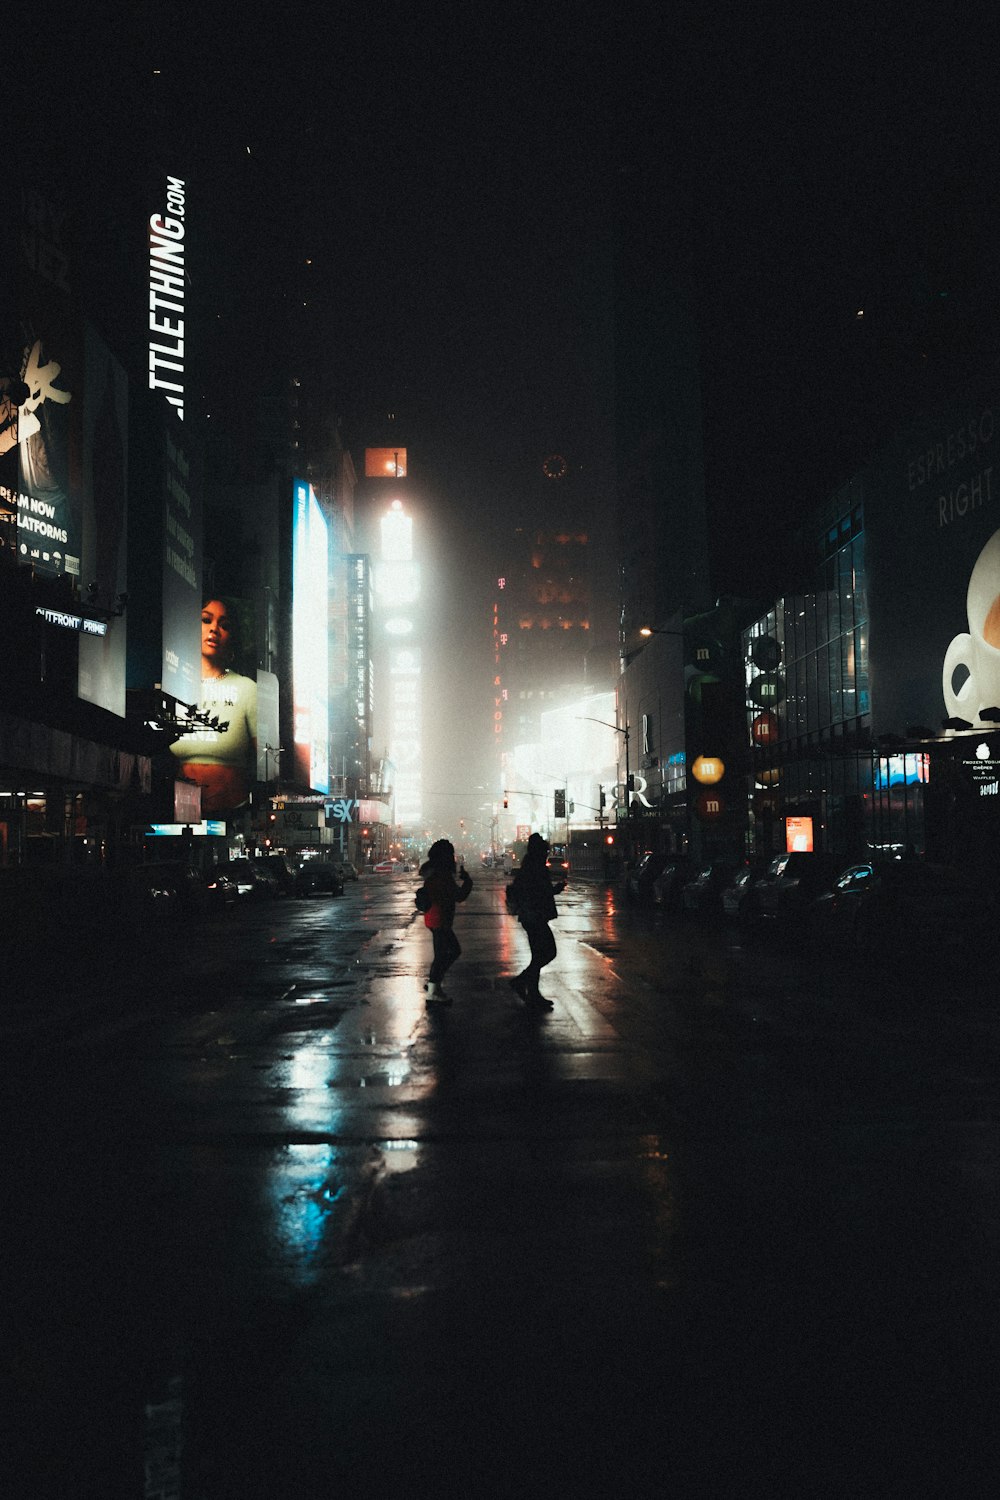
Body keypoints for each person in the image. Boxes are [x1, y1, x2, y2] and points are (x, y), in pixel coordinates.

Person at [170, 598, 258, 815]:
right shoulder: (173, 686)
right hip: (181, 816)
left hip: (234, 814)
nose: (214, 630)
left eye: (224, 625)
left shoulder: (247, 689)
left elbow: (266, 763)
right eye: (206, 620)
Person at [507, 832, 566, 1009]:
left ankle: (532, 992)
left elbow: (539, 891)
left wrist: (554, 890)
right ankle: (523, 983)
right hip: (535, 917)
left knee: (539, 955)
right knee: (547, 953)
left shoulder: (529, 867)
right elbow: (538, 892)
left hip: (532, 917)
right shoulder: (536, 869)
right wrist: (553, 890)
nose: (547, 854)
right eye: (545, 851)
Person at [415, 839, 473, 1005]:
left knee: (443, 954)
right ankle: (433, 989)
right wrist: (468, 881)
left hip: (434, 918)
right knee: (449, 952)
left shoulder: (433, 872)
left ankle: (435, 985)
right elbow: (459, 896)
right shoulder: (442, 874)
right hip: (440, 918)